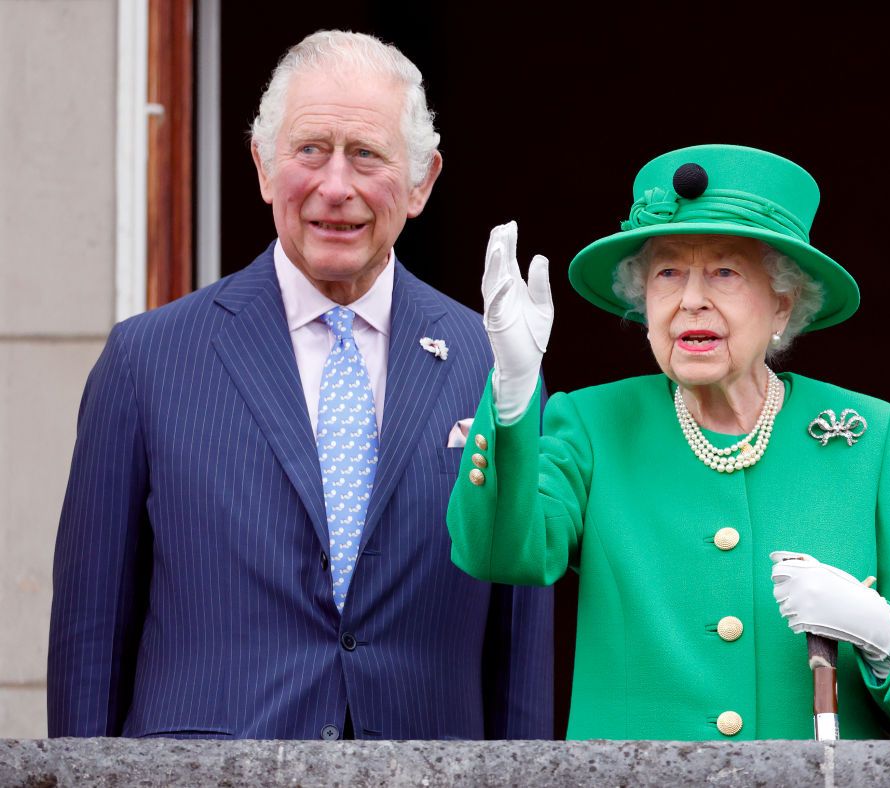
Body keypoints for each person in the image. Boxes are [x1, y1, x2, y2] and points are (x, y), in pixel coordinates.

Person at [47, 30, 552, 741]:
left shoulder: (491, 361)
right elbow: (90, 638)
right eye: (310, 149)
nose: (335, 186)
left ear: (421, 182)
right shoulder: (147, 360)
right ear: (262, 165)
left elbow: (519, 639)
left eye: (367, 155)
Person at [447, 144, 890, 740]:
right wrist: (514, 391)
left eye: (724, 272)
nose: (690, 300)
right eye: (668, 272)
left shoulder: (874, 437)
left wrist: (882, 634)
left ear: (783, 302)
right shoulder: (594, 422)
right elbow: (500, 553)